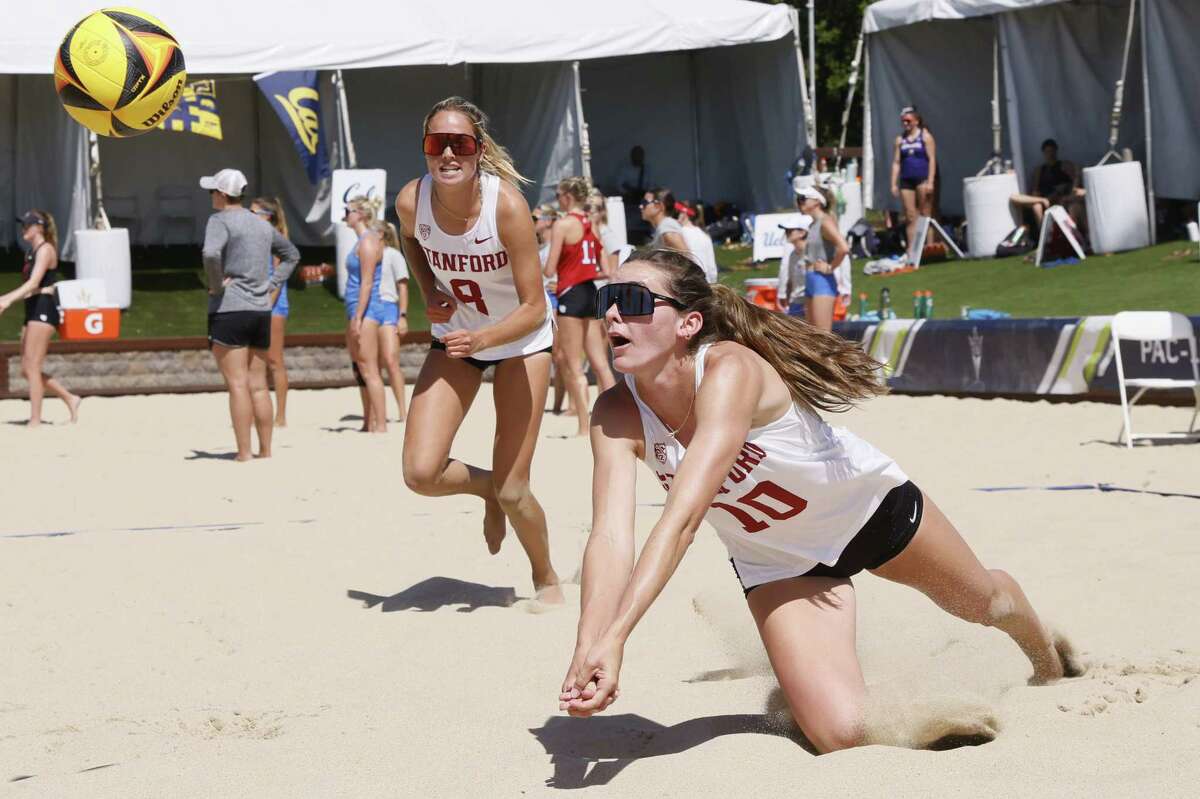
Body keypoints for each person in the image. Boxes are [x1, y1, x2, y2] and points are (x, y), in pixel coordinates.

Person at [557, 248, 1081, 752]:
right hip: (779, 562)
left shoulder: (729, 370)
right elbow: (610, 538)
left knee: (986, 604)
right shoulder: (615, 412)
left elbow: (682, 522)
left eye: (634, 300)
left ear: (688, 324)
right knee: (840, 735)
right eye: (607, 300)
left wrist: (618, 635)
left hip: (865, 512)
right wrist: (590, 645)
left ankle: (1047, 659)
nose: (613, 314)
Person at [395, 95, 562, 602]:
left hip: (521, 342)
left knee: (515, 490)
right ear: (425, 148)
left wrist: (484, 338)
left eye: (460, 144)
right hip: (458, 339)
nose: (448, 154)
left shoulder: (505, 206)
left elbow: (534, 307)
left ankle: (546, 578)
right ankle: (486, 486)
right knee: (420, 474)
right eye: (437, 143)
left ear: (479, 150)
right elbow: (409, 240)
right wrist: (428, 289)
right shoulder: (411, 200)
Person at [201, 168, 300, 461]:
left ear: (222, 194)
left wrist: (216, 285)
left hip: (229, 308)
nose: (210, 196)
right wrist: (270, 284)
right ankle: (265, 450)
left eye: (212, 191)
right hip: (259, 309)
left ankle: (244, 452)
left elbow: (210, 253)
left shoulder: (219, 220)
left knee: (237, 384)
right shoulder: (259, 223)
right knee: (258, 385)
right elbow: (292, 255)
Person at [544, 177, 616, 437]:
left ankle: (584, 426)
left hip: (571, 293)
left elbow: (549, 269)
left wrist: (563, 273)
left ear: (567, 197)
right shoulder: (591, 223)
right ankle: (616, 417)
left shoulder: (563, 224)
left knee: (574, 365)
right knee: (601, 363)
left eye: (559, 196)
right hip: (590, 291)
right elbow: (605, 268)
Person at [0, 210, 81, 426]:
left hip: (44, 309)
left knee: (33, 367)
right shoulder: (31, 252)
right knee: (26, 370)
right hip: (33, 308)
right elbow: (32, 288)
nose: (23, 229)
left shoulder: (46, 250)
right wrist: (6, 298)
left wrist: (7, 300)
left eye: (27, 225)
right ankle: (70, 398)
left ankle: (35, 419)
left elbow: (34, 283)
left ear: (39, 227)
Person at [343, 195, 389, 434]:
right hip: (356, 307)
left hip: (367, 309)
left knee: (369, 367)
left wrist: (358, 317)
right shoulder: (361, 241)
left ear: (360, 214)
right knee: (359, 365)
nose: (345, 215)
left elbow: (368, 282)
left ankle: (380, 425)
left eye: (348, 211)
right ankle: (368, 421)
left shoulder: (369, 241)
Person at [249, 196, 294, 428]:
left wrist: (267, 304)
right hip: (256, 301)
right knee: (256, 361)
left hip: (272, 304)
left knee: (275, 360)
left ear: (267, 216)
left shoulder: (277, 238)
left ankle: (281, 415)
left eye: (253, 213)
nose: (249, 216)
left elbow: (278, 277)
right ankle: (258, 410)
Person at [796, 186, 851, 332]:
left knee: (823, 336)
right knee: (812, 335)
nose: (799, 202)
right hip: (811, 279)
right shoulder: (813, 224)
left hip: (822, 281)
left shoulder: (825, 222)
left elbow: (844, 247)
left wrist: (831, 267)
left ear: (817, 201)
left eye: (803, 199)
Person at [375, 220, 410, 423]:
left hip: (388, 306)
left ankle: (402, 411)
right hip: (370, 308)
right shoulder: (366, 252)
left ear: (381, 233)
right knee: (373, 364)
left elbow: (403, 287)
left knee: (390, 360)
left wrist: (402, 316)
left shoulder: (394, 255)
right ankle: (377, 413)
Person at [890, 106, 937, 256]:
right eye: (903, 121)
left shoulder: (925, 137)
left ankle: (930, 247)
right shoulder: (900, 140)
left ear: (916, 121)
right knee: (910, 216)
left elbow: (932, 159)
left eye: (908, 121)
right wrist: (893, 183)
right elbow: (896, 162)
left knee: (925, 214)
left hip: (922, 178)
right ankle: (912, 250)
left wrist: (930, 181)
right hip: (906, 180)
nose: (905, 124)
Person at [1009, 138, 1085, 229]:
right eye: (1047, 152)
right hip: (1045, 198)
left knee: (1071, 205)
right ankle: (1044, 232)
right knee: (1036, 206)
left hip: (1060, 197)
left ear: (1056, 151)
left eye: (1052, 151)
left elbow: (1074, 181)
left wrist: (1064, 191)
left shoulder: (1065, 165)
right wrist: (1040, 197)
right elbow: (1035, 190)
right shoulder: (1040, 170)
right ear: (1044, 153)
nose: (1050, 154)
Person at [775, 213, 812, 317]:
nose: (786, 233)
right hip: (796, 302)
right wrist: (786, 297)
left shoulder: (812, 254)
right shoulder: (792, 254)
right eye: (786, 230)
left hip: (811, 302)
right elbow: (791, 281)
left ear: (802, 232)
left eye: (789, 231)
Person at [677, 201, 719, 283]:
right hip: (707, 280)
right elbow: (711, 265)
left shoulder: (680, 233)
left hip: (690, 280)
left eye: (678, 213)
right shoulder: (704, 233)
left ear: (684, 214)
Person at [641, 188, 688, 252]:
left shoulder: (666, 227)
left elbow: (686, 255)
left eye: (644, 203)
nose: (641, 206)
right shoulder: (664, 226)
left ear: (659, 206)